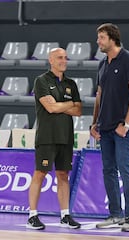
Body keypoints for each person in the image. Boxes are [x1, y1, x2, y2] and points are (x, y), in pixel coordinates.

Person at [90, 23, 129, 232]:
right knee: (108, 171)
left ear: (112, 38)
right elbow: (99, 95)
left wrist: (127, 124)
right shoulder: (103, 63)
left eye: (101, 37)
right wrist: (95, 122)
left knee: (125, 169)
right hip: (105, 128)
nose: (98, 42)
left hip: (124, 129)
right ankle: (115, 214)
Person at [26, 48, 82, 230]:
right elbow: (50, 108)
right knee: (40, 174)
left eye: (65, 58)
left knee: (63, 175)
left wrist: (59, 105)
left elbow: (78, 110)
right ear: (51, 60)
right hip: (47, 136)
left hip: (65, 137)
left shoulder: (71, 84)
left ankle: (65, 215)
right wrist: (68, 104)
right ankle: (32, 215)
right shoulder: (41, 81)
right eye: (60, 57)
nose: (63, 60)